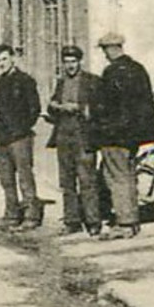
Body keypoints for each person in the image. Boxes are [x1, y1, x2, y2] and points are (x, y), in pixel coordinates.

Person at [90, 32, 154, 239]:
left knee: (116, 178)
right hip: (133, 136)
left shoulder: (112, 72)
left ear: (112, 49)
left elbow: (106, 106)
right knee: (128, 175)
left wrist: (100, 126)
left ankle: (125, 223)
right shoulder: (138, 69)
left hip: (114, 135)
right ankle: (132, 220)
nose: (105, 55)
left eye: (105, 50)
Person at [46, 45, 102, 236]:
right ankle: (72, 221)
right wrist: (54, 106)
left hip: (83, 135)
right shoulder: (61, 82)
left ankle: (93, 221)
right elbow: (53, 105)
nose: (70, 66)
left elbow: (99, 107)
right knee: (67, 181)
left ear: (80, 62)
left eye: (73, 61)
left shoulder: (91, 81)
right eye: (66, 62)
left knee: (87, 180)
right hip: (63, 134)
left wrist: (78, 107)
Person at [0, 44, 42, 231]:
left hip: (20, 137)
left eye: (4, 59)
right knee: (6, 179)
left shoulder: (25, 80)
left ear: (13, 58)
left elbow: (34, 109)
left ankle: (31, 215)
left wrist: (22, 128)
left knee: (24, 176)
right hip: (3, 137)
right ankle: (11, 214)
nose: (1, 64)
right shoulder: (2, 81)